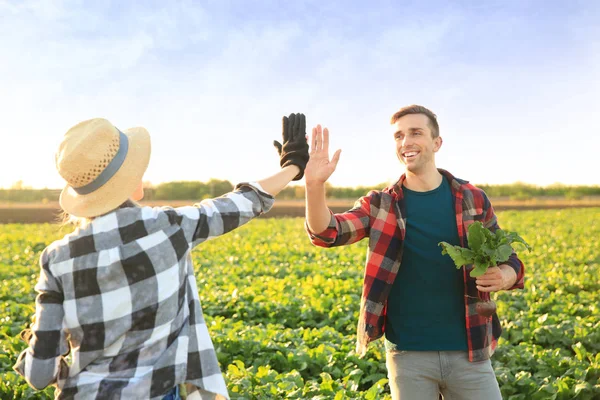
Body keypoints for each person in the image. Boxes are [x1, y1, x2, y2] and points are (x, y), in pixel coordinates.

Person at [13, 114, 309, 399]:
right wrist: (292, 167)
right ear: (129, 180)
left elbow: (39, 375)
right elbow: (240, 203)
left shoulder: (56, 259)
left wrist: (42, 347)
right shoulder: (171, 227)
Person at [303, 105, 525, 399]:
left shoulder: (472, 198)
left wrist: (506, 275)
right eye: (398, 136)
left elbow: (508, 257)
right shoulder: (381, 204)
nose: (405, 142)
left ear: (437, 142)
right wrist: (314, 185)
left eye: (415, 133)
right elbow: (327, 232)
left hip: (470, 350)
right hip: (408, 356)